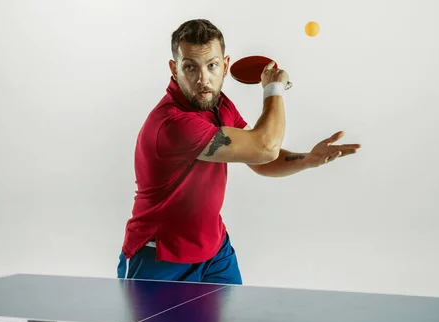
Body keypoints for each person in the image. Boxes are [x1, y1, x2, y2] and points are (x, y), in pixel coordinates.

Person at [118, 19, 360, 285]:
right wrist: (274, 89)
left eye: (211, 65)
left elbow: (262, 160)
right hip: (160, 256)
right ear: (174, 69)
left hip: (215, 251)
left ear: (225, 65)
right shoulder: (174, 124)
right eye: (190, 67)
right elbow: (264, 147)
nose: (203, 78)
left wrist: (307, 160)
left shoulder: (220, 106)